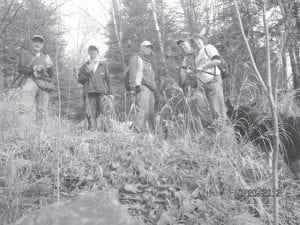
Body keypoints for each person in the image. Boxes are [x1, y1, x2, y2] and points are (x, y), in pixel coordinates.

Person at [190, 34, 227, 126]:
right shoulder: (197, 54)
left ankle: (223, 133)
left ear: (203, 40)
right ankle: (210, 132)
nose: (196, 43)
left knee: (216, 108)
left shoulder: (208, 47)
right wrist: (193, 71)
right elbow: (199, 69)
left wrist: (203, 67)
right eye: (194, 42)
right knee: (202, 108)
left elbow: (217, 61)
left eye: (198, 40)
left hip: (212, 80)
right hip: (202, 85)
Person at [18, 34, 54, 124]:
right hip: (30, 81)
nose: (37, 44)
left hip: (44, 84)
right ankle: (22, 135)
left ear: (42, 45)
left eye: (40, 43)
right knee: (24, 108)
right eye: (35, 42)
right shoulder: (25, 53)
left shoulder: (46, 57)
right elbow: (20, 69)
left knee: (42, 112)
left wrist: (50, 67)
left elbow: (50, 74)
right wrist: (33, 69)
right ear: (32, 43)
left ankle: (41, 136)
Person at [78, 45, 112, 131]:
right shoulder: (84, 66)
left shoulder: (103, 65)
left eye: (94, 50)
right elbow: (80, 80)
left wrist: (110, 93)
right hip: (89, 93)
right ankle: (92, 131)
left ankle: (107, 132)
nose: (92, 52)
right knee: (90, 113)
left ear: (97, 52)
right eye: (91, 50)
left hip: (102, 92)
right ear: (88, 52)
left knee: (105, 113)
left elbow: (108, 79)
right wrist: (86, 73)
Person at [128, 40, 158, 132]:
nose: (148, 49)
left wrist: (155, 89)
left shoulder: (148, 63)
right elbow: (132, 73)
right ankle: (137, 132)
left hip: (151, 90)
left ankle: (149, 132)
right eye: (146, 47)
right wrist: (132, 89)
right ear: (141, 48)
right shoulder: (136, 59)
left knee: (150, 112)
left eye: (150, 48)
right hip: (141, 88)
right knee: (141, 111)